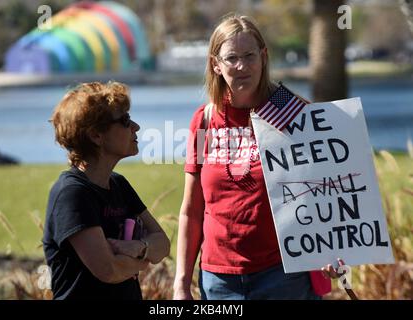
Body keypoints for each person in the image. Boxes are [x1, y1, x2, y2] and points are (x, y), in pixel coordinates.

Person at [173, 15, 339, 300]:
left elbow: (328, 188)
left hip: (283, 276)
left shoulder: (292, 111)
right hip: (218, 281)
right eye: (231, 58)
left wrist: (332, 250)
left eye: (249, 55)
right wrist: (181, 284)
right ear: (216, 64)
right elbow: (191, 209)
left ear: (264, 57)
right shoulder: (204, 119)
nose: (241, 66)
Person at [43, 81, 170, 300]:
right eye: (125, 120)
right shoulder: (72, 194)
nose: (136, 127)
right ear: (96, 136)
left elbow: (163, 243)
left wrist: (138, 247)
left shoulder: (118, 184)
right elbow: (109, 270)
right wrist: (145, 259)